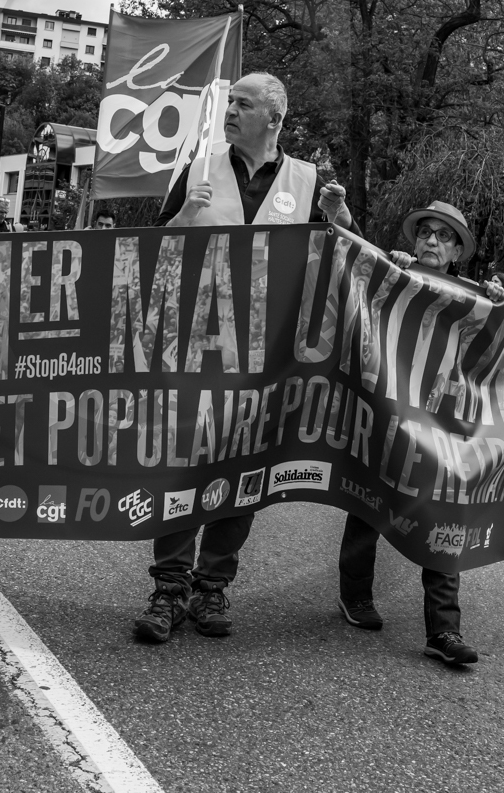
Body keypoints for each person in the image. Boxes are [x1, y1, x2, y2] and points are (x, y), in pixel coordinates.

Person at [133, 72, 353, 645]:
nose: (230, 110)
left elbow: (340, 265)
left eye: (243, 103)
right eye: (230, 102)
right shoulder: (199, 170)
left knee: (242, 469)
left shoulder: (308, 182)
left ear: (274, 118)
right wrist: (183, 217)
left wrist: (343, 223)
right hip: (195, 348)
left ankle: (212, 586)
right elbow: (151, 254)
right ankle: (169, 588)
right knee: (182, 464)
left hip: (266, 359)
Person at [340, 200, 504, 667]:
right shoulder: (397, 273)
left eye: (444, 236)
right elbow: (355, 273)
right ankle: (355, 596)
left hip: (443, 424)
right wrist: (388, 270)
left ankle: (445, 629)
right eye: (426, 232)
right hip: (389, 407)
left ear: (457, 251)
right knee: (368, 500)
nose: (431, 241)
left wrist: (501, 299)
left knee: (446, 514)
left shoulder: (478, 295)